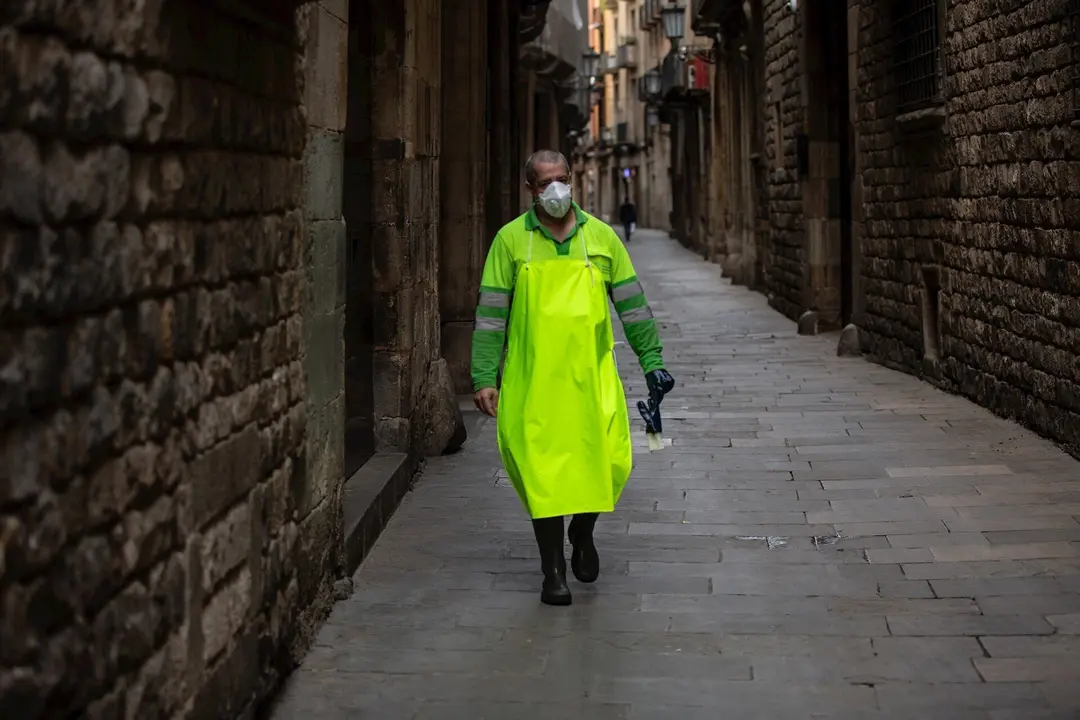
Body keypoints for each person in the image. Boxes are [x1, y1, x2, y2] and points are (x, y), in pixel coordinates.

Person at [471, 149, 675, 606]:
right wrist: (485, 375)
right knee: (543, 476)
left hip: (591, 378)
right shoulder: (509, 242)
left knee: (610, 462)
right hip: (534, 380)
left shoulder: (602, 239)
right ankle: (553, 571)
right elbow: (490, 316)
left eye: (562, 178)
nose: (556, 189)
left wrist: (652, 361)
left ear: (573, 179)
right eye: (545, 182)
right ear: (530, 189)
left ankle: (582, 532)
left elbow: (633, 307)